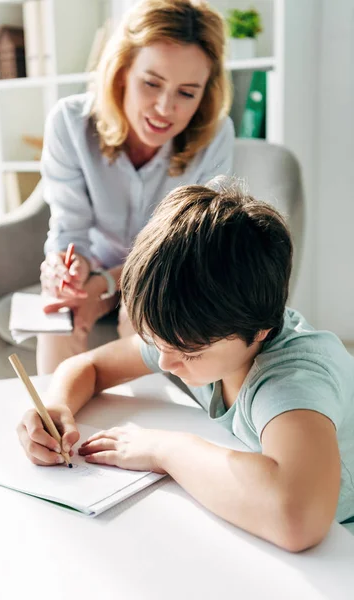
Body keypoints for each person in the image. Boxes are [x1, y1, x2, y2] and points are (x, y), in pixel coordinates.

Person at [18, 176, 354, 551]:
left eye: (188, 353)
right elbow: (91, 366)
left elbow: (298, 519)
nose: (164, 361)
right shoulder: (195, 333)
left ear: (260, 330)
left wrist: (164, 450)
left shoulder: (293, 381)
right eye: (155, 342)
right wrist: (56, 405)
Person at [38, 0, 234, 374]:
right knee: (57, 308)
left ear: (204, 94)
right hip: (95, 266)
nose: (164, 108)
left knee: (143, 313)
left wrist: (106, 286)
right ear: (122, 72)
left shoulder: (215, 135)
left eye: (187, 93)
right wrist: (67, 269)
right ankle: (54, 422)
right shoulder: (70, 122)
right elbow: (68, 232)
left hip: (168, 271)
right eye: (151, 83)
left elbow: (192, 249)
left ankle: (139, 431)